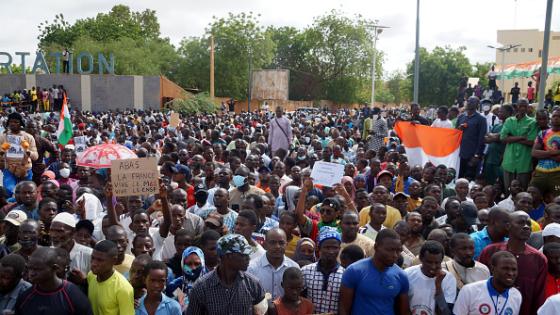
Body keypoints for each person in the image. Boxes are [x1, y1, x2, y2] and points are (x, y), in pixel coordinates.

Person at [479, 211, 547, 315]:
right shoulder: (490, 251)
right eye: (520, 222)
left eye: (528, 224)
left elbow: (539, 296)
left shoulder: (539, 259)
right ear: (508, 226)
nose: (526, 227)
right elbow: (478, 285)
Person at [187, 234, 267, 315]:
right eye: (243, 255)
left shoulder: (253, 284)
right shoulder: (201, 287)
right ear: (228, 256)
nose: (248, 258)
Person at [339, 229, 409, 315]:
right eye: (390, 250)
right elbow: (344, 309)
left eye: (398, 251)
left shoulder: (401, 276)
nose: (395, 255)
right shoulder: (354, 271)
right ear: (376, 247)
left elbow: (404, 311)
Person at [14, 247, 93, 315]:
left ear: (55, 268)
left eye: (37, 269)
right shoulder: (25, 297)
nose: (31, 273)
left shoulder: (74, 296)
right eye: (29, 268)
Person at [453, 251, 522, 315]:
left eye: (514, 269)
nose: (510, 273)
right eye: (505, 268)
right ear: (492, 269)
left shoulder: (516, 296)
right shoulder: (469, 291)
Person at [405, 241, 456, 314]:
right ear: (421, 258)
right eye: (429, 262)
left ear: (441, 261)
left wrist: (438, 285)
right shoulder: (408, 274)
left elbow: (444, 313)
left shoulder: (449, 279)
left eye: (437, 263)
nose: (433, 266)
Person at [301, 227, 344, 314]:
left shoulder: (345, 275)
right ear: (319, 248)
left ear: (339, 249)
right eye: (327, 247)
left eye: (335, 248)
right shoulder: (306, 271)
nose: (331, 251)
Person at [247, 228, 299, 300]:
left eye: (281, 243)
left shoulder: (294, 267)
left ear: (286, 244)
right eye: (272, 242)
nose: (277, 246)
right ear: (265, 244)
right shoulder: (252, 268)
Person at [87, 240, 134, 315]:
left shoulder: (123, 288)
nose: (94, 263)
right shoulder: (91, 276)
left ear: (114, 260)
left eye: (100, 260)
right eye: (93, 258)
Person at [500, 98, 538, 191]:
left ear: (528, 107)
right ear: (517, 107)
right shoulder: (509, 121)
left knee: (522, 190)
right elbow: (503, 138)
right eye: (520, 106)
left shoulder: (532, 122)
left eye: (525, 106)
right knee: (508, 190)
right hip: (509, 162)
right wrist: (521, 137)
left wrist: (512, 138)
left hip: (524, 163)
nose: (523, 108)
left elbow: (531, 142)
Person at [0, 112, 39, 197]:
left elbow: (35, 156)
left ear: (20, 124)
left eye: (16, 122)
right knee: (9, 192)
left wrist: (29, 152)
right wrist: (2, 150)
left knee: (26, 193)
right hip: (9, 170)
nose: (13, 124)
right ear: (8, 123)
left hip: (25, 169)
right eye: (11, 122)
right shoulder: (3, 137)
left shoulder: (28, 137)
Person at [531, 108, 560, 202]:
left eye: (559, 116)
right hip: (540, 173)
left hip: (557, 175)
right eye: (554, 116)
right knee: (532, 197)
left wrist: (543, 154)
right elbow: (534, 153)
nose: (556, 118)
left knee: (557, 200)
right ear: (551, 118)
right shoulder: (543, 133)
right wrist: (552, 153)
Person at [456, 96, 487, 180]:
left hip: (472, 155)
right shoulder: (461, 117)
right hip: (460, 154)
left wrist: (477, 155)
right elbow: (455, 134)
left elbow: (482, 138)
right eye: (468, 101)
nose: (469, 103)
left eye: (472, 102)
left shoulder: (481, 119)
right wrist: (459, 129)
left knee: (470, 178)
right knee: (459, 177)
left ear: (477, 104)